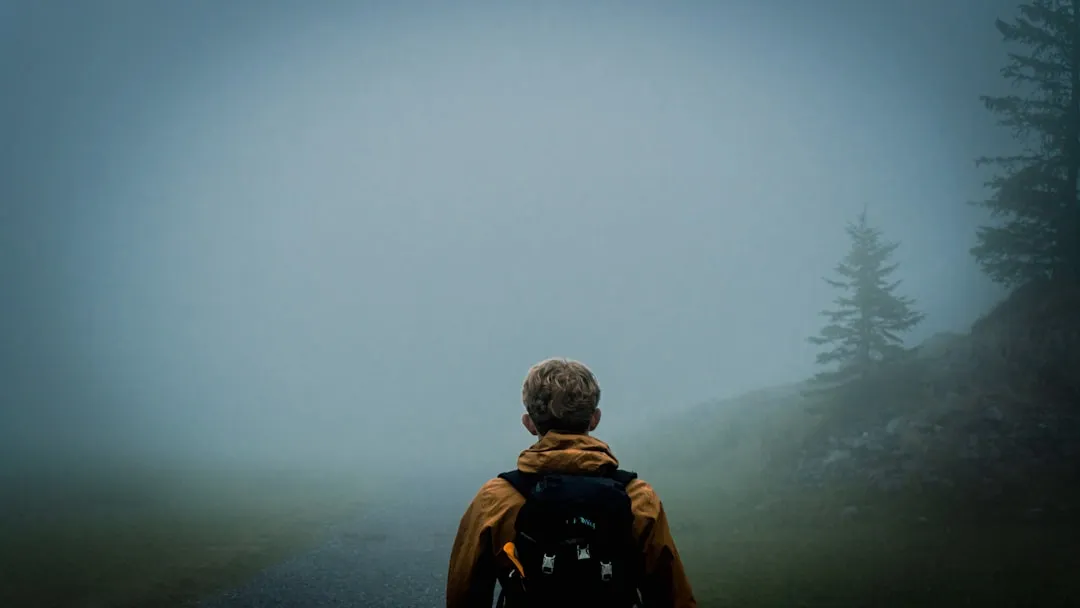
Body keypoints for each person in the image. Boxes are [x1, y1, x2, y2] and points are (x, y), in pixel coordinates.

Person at [445, 357, 696, 608]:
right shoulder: (638, 497)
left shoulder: (496, 499)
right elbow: (673, 596)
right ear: (594, 419)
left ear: (529, 424)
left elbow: (463, 594)